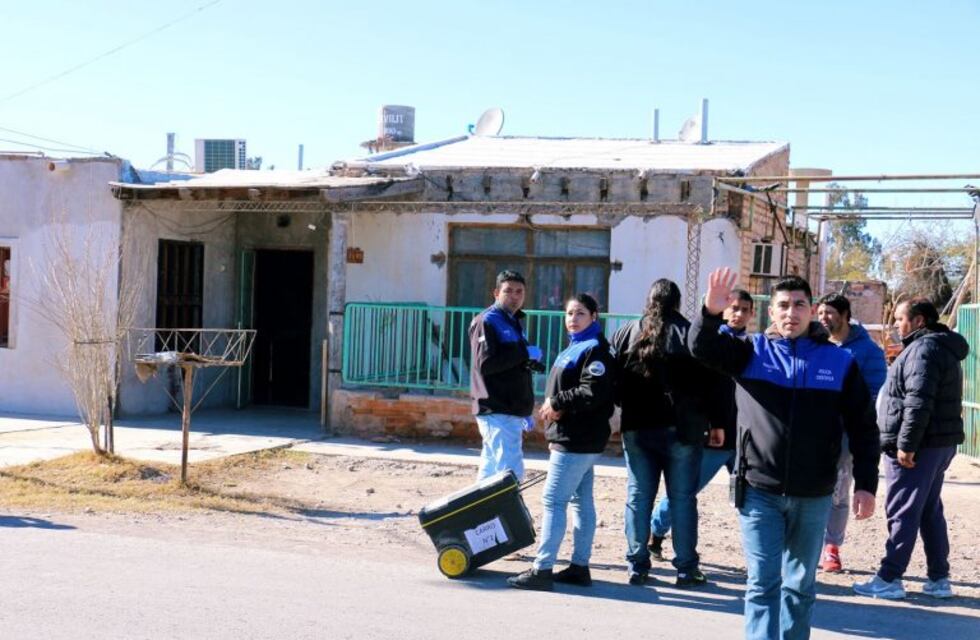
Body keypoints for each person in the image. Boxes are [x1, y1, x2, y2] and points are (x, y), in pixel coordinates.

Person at [690, 268, 880, 640]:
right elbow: (701, 347)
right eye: (783, 305)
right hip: (758, 489)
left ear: (812, 310)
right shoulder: (750, 352)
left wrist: (866, 484)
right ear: (772, 312)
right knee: (763, 583)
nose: (791, 312)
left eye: (799, 304)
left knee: (800, 586)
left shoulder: (839, 362)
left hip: (814, 493)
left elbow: (864, 426)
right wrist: (709, 313)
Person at [853, 299, 968, 600]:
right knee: (928, 510)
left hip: (919, 447)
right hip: (935, 444)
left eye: (900, 319)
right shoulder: (937, 347)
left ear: (918, 321)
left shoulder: (923, 350)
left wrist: (906, 444)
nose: (896, 325)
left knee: (903, 509)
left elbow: (918, 401)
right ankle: (939, 579)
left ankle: (889, 578)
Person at [508, 293, 616, 591]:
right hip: (572, 436)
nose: (573, 319)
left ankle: (542, 569)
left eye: (580, 313)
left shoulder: (595, 349)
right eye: (569, 313)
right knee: (581, 501)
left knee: (554, 501)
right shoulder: (576, 345)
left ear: (594, 316)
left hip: (577, 438)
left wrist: (557, 402)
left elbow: (591, 392)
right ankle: (579, 568)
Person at [611, 279, 711, 587]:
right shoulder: (689, 333)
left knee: (638, 497)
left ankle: (637, 565)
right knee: (682, 499)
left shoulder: (628, 331)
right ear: (677, 303)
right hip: (682, 429)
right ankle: (686, 569)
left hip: (637, 427)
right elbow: (707, 385)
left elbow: (614, 381)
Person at [648, 289, 754, 560]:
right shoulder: (708, 344)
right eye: (734, 307)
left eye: (744, 309)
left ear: (752, 314)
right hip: (715, 437)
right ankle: (655, 533)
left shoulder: (754, 348)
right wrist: (709, 424)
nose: (738, 314)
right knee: (686, 489)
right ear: (723, 309)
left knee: (754, 498)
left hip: (746, 439)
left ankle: (760, 558)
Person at [815, 293, 887, 573]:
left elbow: (873, 395)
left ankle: (831, 546)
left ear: (845, 316)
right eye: (821, 313)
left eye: (830, 313)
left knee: (838, 489)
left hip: (845, 433)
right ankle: (806, 544)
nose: (824, 318)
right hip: (813, 431)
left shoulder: (868, 351)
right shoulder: (813, 344)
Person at [468, 270, 543, 481]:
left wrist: (529, 362)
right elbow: (485, 364)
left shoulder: (513, 321)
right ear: (496, 293)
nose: (514, 296)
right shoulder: (487, 320)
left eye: (519, 292)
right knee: (509, 473)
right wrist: (524, 353)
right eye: (508, 291)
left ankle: (484, 505)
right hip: (496, 406)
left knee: (491, 472)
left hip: (509, 408)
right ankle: (506, 505)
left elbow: (511, 362)